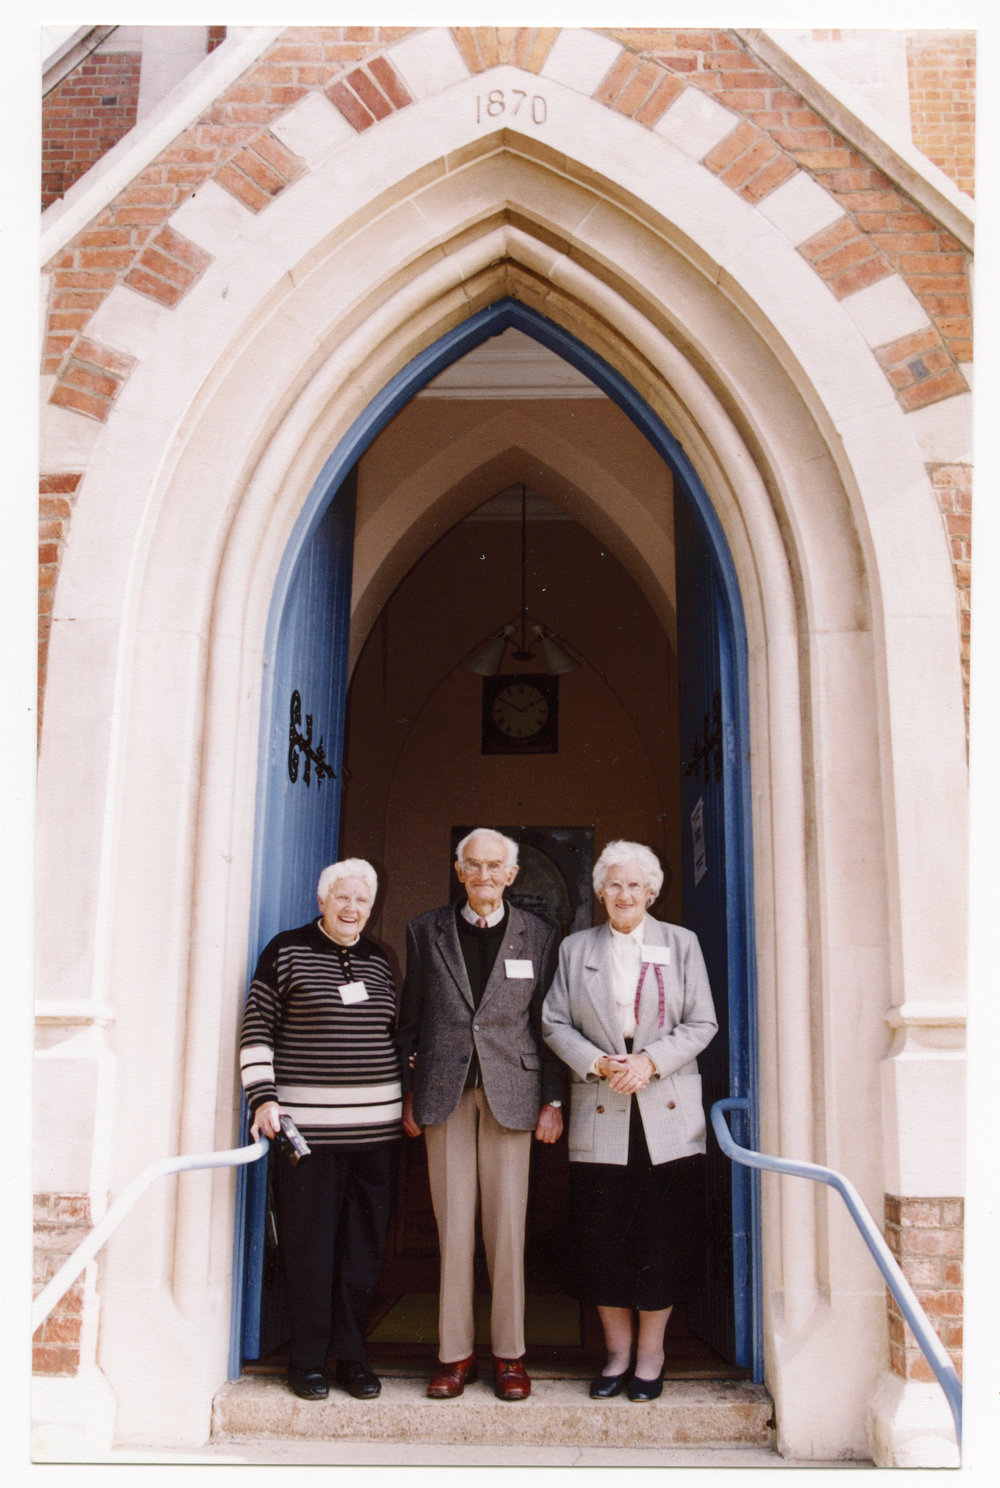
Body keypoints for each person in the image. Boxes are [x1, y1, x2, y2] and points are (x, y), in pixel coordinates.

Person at [541, 839, 718, 1401]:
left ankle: (651, 1355)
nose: (623, 894)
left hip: (666, 1111)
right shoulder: (575, 948)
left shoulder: (681, 944)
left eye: (634, 885)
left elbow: (702, 1023)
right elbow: (553, 1023)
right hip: (601, 1107)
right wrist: (597, 1063)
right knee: (603, 1240)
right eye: (613, 884)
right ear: (599, 891)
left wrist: (649, 1062)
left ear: (652, 891)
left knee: (661, 1238)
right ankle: (615, 1353)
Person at [397, 828, 563, 1401]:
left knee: (506, 1231)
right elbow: (409, 1019)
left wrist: (553, 1100)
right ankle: (455, 1355)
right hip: (443, 1093)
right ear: (458, 870)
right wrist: (408, 1092)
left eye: (496, 867)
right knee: (455, 1230)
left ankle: (511, 1356)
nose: (485, 876)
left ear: (511, 875)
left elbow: (550, 1024)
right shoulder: (426, 931)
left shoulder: (539, 935)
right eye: (475, 866)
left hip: (511, 1095)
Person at [240, 858, 401, 1402]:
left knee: (362, 1250)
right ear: (322, 900)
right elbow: (257, 1024)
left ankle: (352, 1358)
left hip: (376, 1133)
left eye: (361, 900)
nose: (352, 908)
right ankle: (307, 1361)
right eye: (343, 898)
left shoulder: (381, 959)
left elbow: (396, 1034)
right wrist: (263, 1097)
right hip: (307, 1132)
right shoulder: (286, 951)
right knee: (310, 1248)